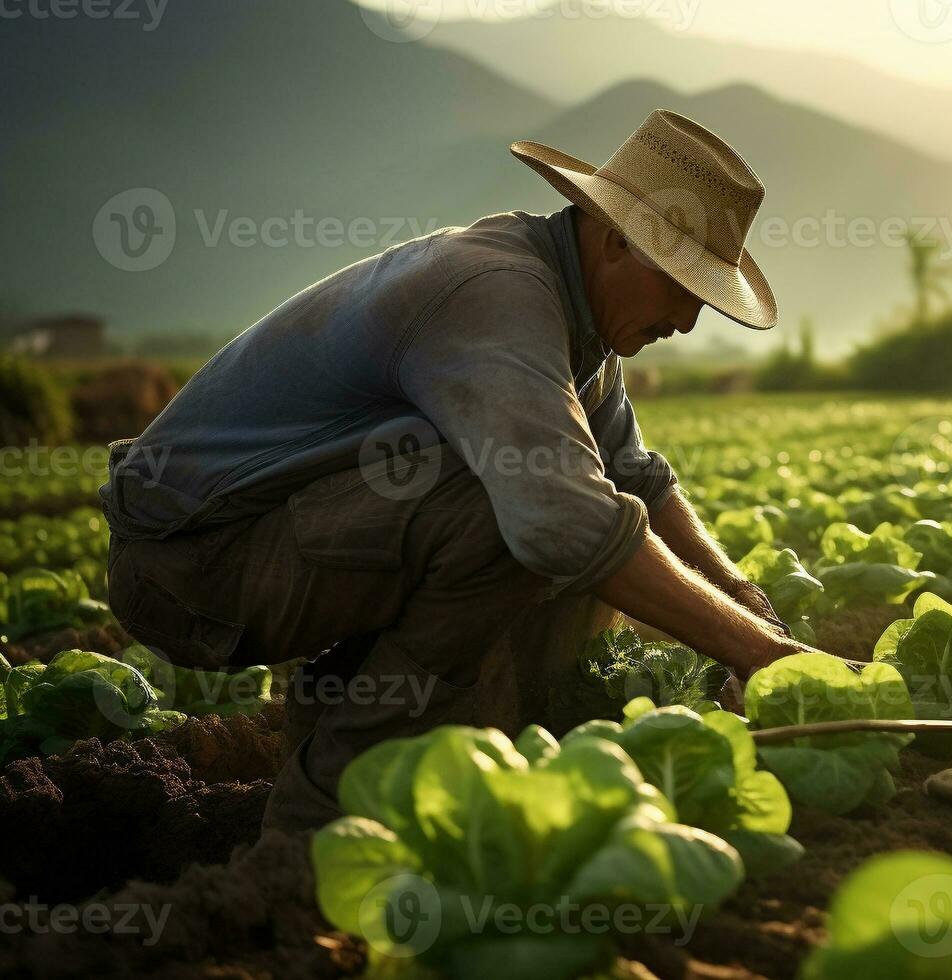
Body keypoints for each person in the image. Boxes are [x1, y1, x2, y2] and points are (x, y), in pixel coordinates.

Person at [100, 109, 812, 831]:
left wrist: (750, 607)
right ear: (614, 241)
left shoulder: (581, 322)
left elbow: (637, 478)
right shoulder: (498, 291)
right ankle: (324, 813)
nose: (689, 321)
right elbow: (566, 521)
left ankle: (384, 742)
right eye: (683, 287)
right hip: (190, 565)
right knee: (524, 518)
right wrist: (752, 653)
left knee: (579, 512)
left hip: (268, 541)